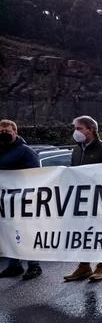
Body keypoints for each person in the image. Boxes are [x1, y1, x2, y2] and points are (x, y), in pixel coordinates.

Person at [63, 116, 102, 282]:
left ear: (91, 129)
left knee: (101, 233)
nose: (76, 132)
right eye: (75, 128)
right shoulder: (77, 149)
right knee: (82, 232)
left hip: (100, 199)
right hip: (81, 199)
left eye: (79, 128)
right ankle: (84, 266)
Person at [0, 119, 42, 280]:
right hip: (5, 201)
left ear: (15, 133)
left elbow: (36, 175)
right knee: (9, 233)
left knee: (26, 233)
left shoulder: (25, 151)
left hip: (23, 200)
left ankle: (34, 266)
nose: (3, 134)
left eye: (7, 131)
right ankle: (14, 266)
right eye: (1, 131)